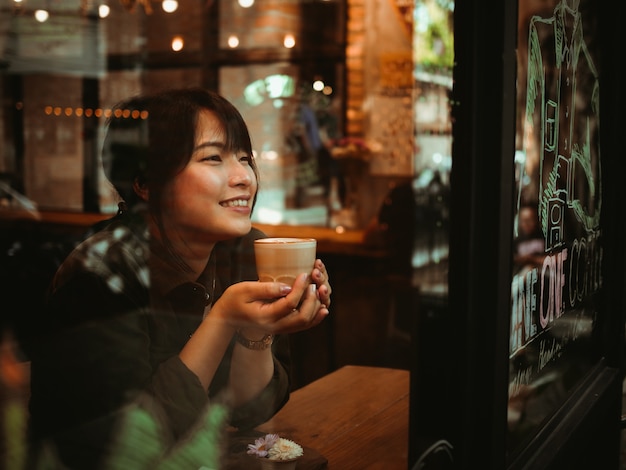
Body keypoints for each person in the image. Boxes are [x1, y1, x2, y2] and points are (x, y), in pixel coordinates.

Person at [25, 88, 332, 469]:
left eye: (244, 158)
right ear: (146, 183)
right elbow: (126, 444)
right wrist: (224, 320)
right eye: (213, 158)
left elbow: (250, 410)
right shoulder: (102, 273)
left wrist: (257, 331)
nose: (243, 177)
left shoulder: (246, 251)